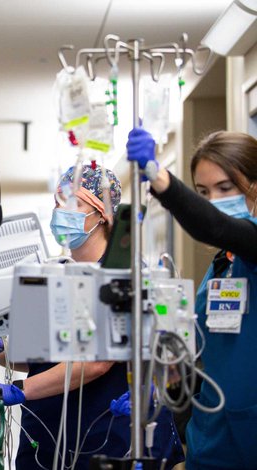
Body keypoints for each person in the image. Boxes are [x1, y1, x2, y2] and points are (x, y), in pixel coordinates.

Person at [12, 164, 184, 469]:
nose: (59, 211)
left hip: (108, 431)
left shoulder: (124, 274)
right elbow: (43, 358)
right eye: (57, 202)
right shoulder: (55, 274)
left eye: (71, 202)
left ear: (102, 213)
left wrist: (20, 390)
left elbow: (97, 362)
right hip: (50, 433)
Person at [127, 128, 257, 469]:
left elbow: (214, 225)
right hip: (211, 440)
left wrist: (159, 177)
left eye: (225, 188)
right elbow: (205, 355)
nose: (212, 201)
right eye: (202, 192)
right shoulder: (220, 267)